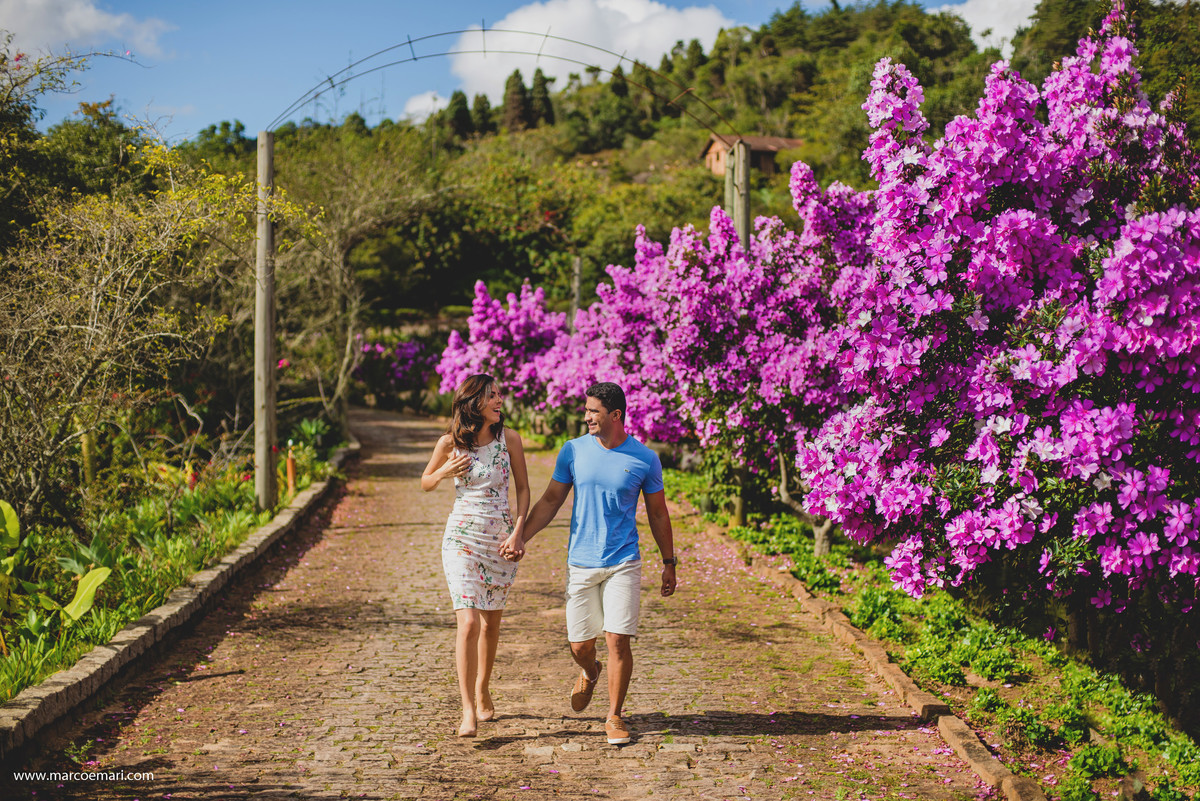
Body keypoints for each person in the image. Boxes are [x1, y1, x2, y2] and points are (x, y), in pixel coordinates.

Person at [501, 381, 676, 745]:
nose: (586, 417)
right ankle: (590, 671)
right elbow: (550, 500)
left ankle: (614, 716)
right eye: (586, 410)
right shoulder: (573, 451)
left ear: (615, 415)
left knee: (618, 641)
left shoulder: (644, 458)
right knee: (581, 646)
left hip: (623, 560)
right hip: (581, 562)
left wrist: (669, 562)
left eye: (593, 411)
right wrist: (520, 537)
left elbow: (658, 514)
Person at [421, 374, 530, 737]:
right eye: (492, 396)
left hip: (498, 541)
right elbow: (425, 481)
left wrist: (518, 532)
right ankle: (467, 709)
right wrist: (443, 471)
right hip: (461, 539)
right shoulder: (449, 443)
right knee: (468, 622)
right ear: (474, 403)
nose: (500, 401)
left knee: (491, 624)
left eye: (499, 395)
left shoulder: (509, 440)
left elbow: (525, 489)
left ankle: (483, 688)